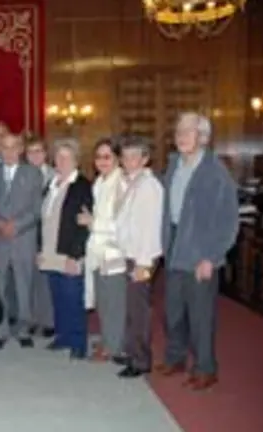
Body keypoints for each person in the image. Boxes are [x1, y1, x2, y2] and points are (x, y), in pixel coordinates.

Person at [156, 112, 239, 391]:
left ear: (202, 137)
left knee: (201, 315)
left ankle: (205, 368)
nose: (181, 136)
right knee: (173, 311)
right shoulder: (173, 166)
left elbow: (229, 220)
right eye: (179, 130)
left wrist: (212, 257)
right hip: (175, 246)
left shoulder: (216, 171)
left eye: (188, 131)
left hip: (201, 251)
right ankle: (176, 358)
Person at [114, 135, 164, 378]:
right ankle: (131, 350)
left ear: (145, 159)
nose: (129, 161)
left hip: (142, 256)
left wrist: (143, 263)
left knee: (139, 309)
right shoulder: (131, 182)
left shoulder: (149, 187)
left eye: (135, 156)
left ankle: (141, 360)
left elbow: (150, 228)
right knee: (130, 307)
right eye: (125, 157)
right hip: (129, 255)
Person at [39, 139, 93, 360]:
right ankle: (63, 336)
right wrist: (39, 249)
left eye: (66, 157)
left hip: (69, 252)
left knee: (73, 297)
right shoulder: (51, 184)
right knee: (59, 297)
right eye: (58, 157)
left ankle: (78, 342)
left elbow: (83, 225)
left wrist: (75, 255)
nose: (61, 161)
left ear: (76, 160)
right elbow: (42, 220)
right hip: (50, 251)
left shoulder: (82, 185)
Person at [0, 133, 43, 350]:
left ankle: (22, 329)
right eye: (5, 147)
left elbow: (37, 209)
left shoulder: (33, 173)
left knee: (24, 286)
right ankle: (0, 330)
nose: (9, 152)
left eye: (14, 147)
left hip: (23, 238)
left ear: (21, 149)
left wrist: (17, 226)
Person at [79, 138, 127, 364]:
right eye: (98, 157)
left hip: (114, 251)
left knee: (114, 300)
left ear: (117, 158)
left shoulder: (122, 183)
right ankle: (109, 339)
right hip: (98, 250)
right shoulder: (99, 182)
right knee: (102, 299)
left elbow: (123, 222)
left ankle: (113, 346)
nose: (102, 161)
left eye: (107, 156)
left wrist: (92, 222)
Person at [23, 133, 55, 337]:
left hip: (49, 232)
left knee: (46, 279)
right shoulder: (22, 175)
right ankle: (33, 318)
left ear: (45, 154)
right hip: (26, 232)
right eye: (30, 151)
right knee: (30, 278)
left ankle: (49, 320)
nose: (35, 155)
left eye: (39, 151)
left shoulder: (55, 176)